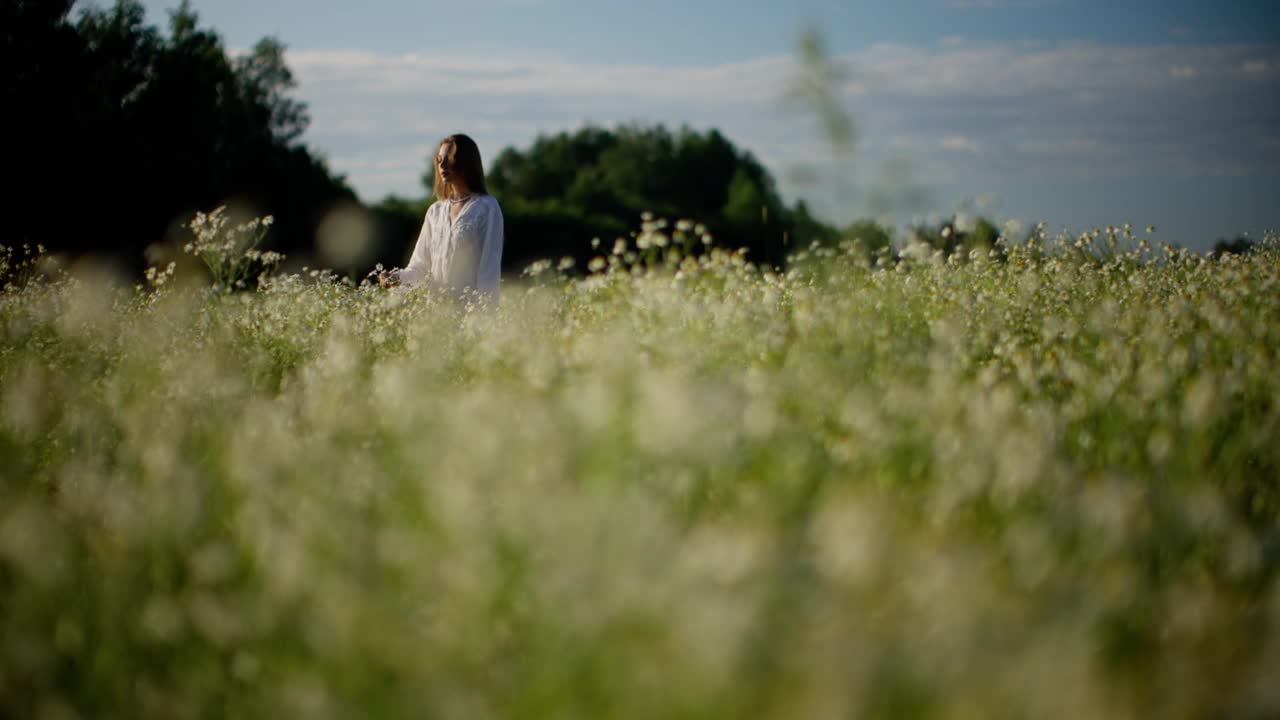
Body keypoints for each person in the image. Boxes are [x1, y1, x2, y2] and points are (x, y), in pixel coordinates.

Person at [378, 134, 504, 304]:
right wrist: (394, 278)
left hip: (470, 315)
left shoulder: (487, 208)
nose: (442, 165)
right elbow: (420, 266)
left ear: (466, 162)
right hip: (436, 317)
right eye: (439, 159)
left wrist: (483, 322)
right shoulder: (435, 212)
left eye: (450, 158)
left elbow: (489, 270)